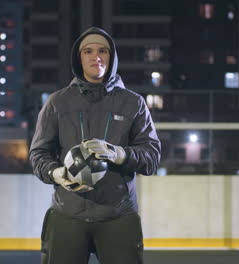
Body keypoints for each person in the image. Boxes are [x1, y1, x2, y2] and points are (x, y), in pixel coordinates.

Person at [29, 27, 161, 264]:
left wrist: (118, 154)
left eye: (103, 51)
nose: (96, 56)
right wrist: (56, 173)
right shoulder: (58, 102)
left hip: (118, 216)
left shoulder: (133, 103)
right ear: (78, 58)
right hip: (67, 214)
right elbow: (38, 154)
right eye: (88, 51)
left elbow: (152, 157)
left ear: (112, 57)